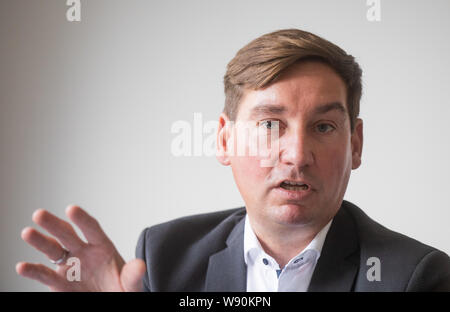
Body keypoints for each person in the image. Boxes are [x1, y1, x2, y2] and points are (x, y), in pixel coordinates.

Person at [16, 29, 450, 292]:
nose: (297, 155)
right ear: (224, 140)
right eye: (269, 125)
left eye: (323, 127)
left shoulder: (415, 277)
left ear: (355, 144)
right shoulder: (165, 258)